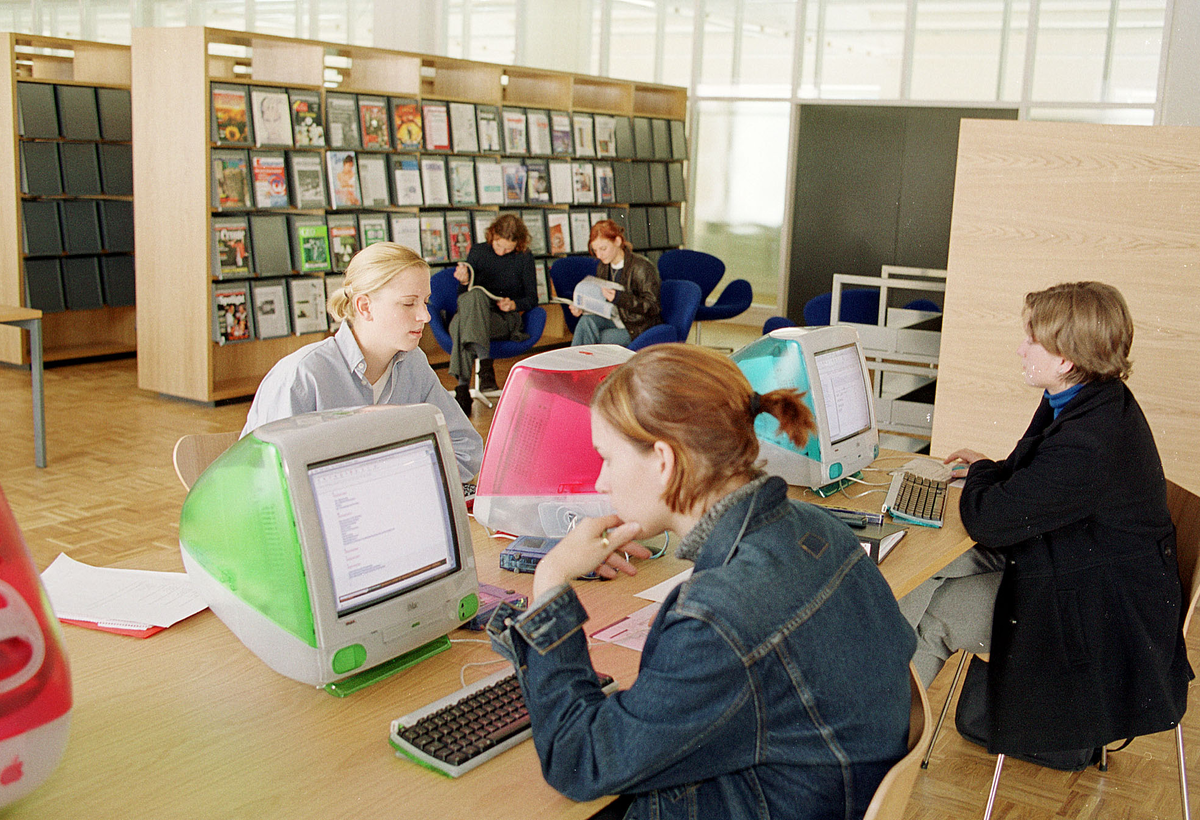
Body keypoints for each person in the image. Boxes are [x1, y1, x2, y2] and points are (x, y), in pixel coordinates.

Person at [487, 344, 916, 820]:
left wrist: (550, 581)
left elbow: (580, 762)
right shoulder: (820, 529)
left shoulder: (716, 616)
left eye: (606, 458)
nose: (601, 483)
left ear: (664, 460)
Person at [899, 281, 1192, 768]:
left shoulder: (1090, 440)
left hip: (1101, 613)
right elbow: (1026, 479)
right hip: (1079, 562)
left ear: (1066, 359)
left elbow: (992, 520)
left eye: (1032, 338)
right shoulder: (1085, 398)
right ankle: (866, 703)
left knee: (936, 610)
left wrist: (979, 472)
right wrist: (990, 471)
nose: (1021, 347)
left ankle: (879, 748)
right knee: (922, 571)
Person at [241, 242, 483, 480]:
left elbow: (468, 450)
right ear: (365, 307)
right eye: (409, 303)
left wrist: (393, 477)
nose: (425, 315)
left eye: (425, 302)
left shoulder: (412, 363)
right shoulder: (302, 376)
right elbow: (268, 483)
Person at [448, 213, 538, 415]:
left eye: (508, 248)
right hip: (478, 316)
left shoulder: (524, 257)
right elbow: (464, 297)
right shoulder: (479, 251)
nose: (502, 251)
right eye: (498, 245)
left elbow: (532, 298)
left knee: (459, 325)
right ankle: (483, 368)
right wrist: (464, 282)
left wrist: (513, 304)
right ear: (492, 236)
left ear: (518, 243)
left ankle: (462, 386)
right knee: (475, 295)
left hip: (504, 320)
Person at [570, 219, 661, 347]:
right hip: (615, 317)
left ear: (617, 241)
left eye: (603, 249)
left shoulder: (641, 266)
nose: (599, 255)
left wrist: (619, 297)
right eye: (595, 250)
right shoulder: (603, 266)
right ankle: (576, 365)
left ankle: (582, 364)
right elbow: (602, 301)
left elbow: (653, 306)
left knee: (601, 338)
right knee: (586, 321)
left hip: (637, 325)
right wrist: (583, 308)